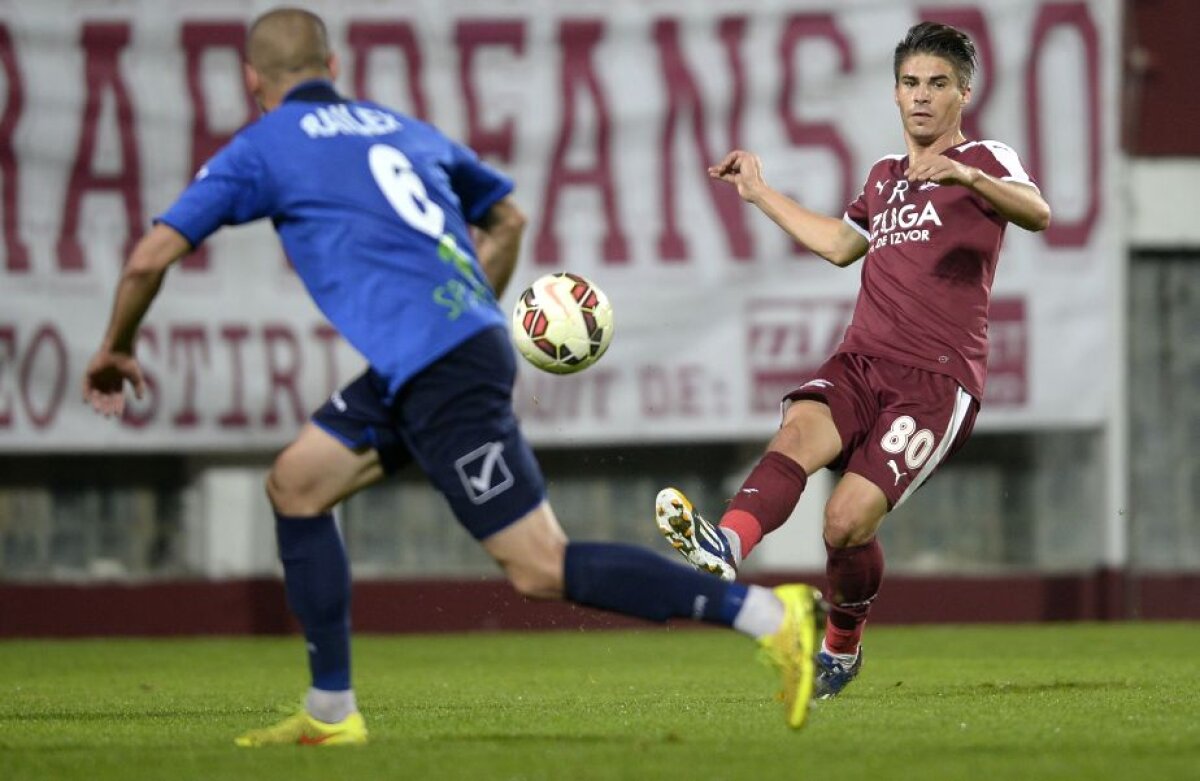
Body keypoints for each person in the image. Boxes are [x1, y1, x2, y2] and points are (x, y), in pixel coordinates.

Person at [82, 7, 824, 744]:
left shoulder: (263, 146)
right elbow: (509, 218)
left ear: (252, 79)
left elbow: (149, 258)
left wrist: (115, 347)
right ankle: (331, 712)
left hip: (440, 367)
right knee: (297, 485)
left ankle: (767, 615)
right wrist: (466, 312)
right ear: (333, 67)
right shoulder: (399, 128)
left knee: (539, 567)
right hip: (433, 357)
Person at [654, 21, 1050, 700]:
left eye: (938, 84)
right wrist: (759, 192)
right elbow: (841, 245)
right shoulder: (884, 177)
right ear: (894, 93)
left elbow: (1038, 212)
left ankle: (842, 644)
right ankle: (727, 544)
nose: (921, 96)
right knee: (796, 434)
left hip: (936, 380)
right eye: (910, 83)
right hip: (862, 360)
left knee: (844, 522)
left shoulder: (986, 157)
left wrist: (965, 174)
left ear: (964, 93)